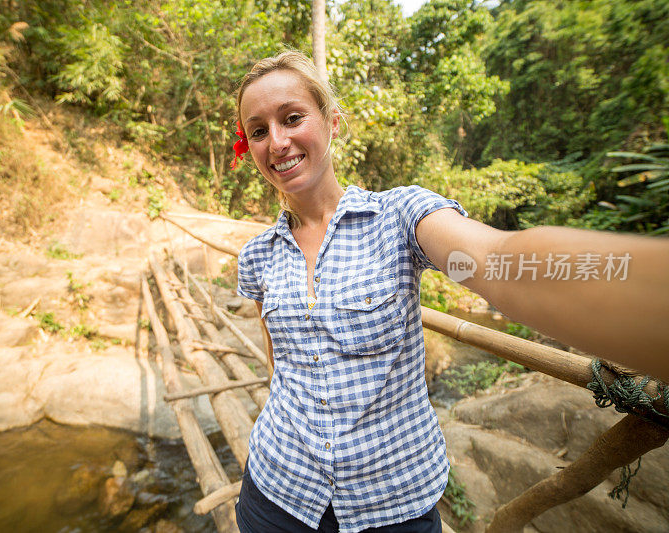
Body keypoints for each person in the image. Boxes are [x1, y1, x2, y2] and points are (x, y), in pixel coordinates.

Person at [231, 50, 669, 533]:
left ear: (332, 123)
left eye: (293, 118)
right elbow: (282, 367)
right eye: (258, 130)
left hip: (393, 506)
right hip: (276, 496)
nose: (277, 141)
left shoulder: (399, 217)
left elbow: (501, 264)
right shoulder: (258, 256)